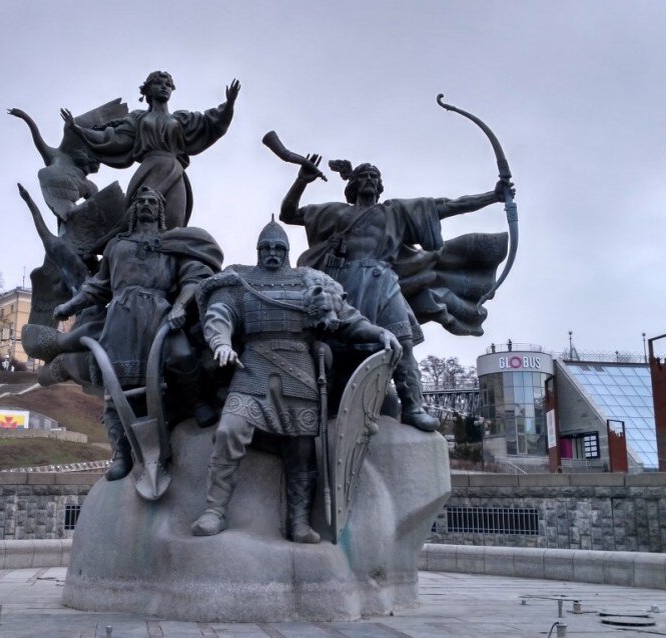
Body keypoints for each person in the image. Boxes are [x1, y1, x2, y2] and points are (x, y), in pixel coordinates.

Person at [190, 219, 401, 543]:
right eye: (266, 248)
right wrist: (221, 342)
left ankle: (299, 522)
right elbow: (219, 314)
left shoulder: (311, 282)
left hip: (299, 371)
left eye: (279, 248)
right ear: (258, 250)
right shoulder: (239, 281)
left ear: (287, 251)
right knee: (229, 430)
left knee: (302, 450)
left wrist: (379, 332)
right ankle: (214, 511)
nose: (272, 253)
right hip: (253, 368)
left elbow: (347, 320)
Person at [280, 157, 510, 431]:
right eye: (363, 175)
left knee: (403, 342)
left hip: (383, 282)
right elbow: (288, 214)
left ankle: (412, 406)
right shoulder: (336, 213)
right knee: (333, 345)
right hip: (342, 284)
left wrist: (493, 196)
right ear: (352, 184)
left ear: (380, 185)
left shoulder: (397, 212)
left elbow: (448, 205)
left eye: (374, 176)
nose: (369, 179)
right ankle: (324, 403)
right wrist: (302, 180)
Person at [53, 187, 223, 481]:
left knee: (182, 355)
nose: (146, 205)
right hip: (122, 318)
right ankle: (120, 454)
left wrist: (180, 306)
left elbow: (193, 278)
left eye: (152, 202)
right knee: (114, 386)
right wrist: (70, 305)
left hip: (160, 313)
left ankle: (196, 402)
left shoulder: (173, 243)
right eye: (141, 201)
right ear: (133, 209)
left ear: (160, 210)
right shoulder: (117, 245)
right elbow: (99, 286)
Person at [61, 71, 240, 230]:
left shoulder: (182, 118)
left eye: (168, 84)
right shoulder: (138, 118)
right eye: (158, 83)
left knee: (173, 226)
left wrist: (229, 103)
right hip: (148, 170)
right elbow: (114, 139)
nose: (164, 87)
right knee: (137, 220)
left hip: (175, 172)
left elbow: (211, 123)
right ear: (147, 90)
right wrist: (77, 129)